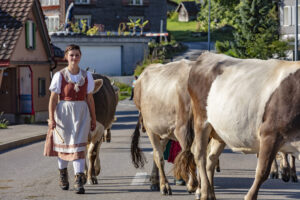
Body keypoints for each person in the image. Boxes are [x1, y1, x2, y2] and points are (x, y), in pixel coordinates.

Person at [44, 44, 96, 194]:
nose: (74, 58)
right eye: (71, 55)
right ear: (66, 57)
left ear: (80, 57)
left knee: (79, 148)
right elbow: (53, 99)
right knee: (64, 146)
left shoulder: (87, 76)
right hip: (63, 113)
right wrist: (51, 118)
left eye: (77, 55)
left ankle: (79, 180)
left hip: (81, 113)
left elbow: (90, 99)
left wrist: (94, 118)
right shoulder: (59, 76)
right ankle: (63, 175)